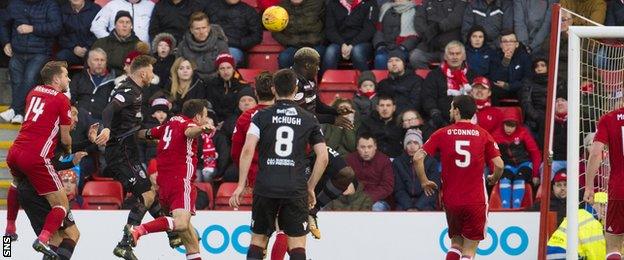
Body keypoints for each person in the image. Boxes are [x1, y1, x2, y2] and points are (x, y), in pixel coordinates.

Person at [229, 69, 329, 260]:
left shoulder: (259, 117)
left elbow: (248, 149)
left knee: (258, 240)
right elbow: (322, 157)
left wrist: (241, 184)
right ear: (296, 88)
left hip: (265, 185)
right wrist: (310, 187)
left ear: (274, 89)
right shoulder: (309, 118)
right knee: (297, 244)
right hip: (295, 187)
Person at [93, 55, 179, 260]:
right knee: (147, 195)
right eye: (150, 71)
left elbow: (130, 126)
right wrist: (105, 128)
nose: (152, 75)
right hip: (121, 152)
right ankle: (125, 242)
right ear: (143, 73)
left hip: (128, 150)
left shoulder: (134, 90)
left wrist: (151, 137)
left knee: (149, 193)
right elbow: (109, 109)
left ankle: (172, 233)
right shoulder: (129, 90)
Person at [413, 95, 504, 260]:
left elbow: (418, 157)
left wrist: (424, 181)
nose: (449, 111)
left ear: (456, 111)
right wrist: (494, 178)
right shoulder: (483, 135)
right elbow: (499, 165)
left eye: (450, 107)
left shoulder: (442, 133)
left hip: (451, 200)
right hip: (475, 200)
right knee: (469, 250)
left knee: (455, 244)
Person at [126, 99, 214, 260]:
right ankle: (139, 230)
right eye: (205, 116)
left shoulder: (169, 124)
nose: (206, 120)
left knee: (190, 239)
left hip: (164, 184)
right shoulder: (189, 124)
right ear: (197, 116)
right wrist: (201, 129)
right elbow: (190, 132)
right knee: (180, 223)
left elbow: (147, 134)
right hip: (181, 182)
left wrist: (126, 134)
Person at [5, 61, 73, 258]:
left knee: (16, 183)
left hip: (16, 152)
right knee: (62, 207)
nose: (68, 78)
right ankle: (42, 239)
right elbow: (66, 137)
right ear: (56, 78)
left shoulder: (33, 92)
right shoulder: (61, 99)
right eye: (66, 75)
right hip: (36, 160)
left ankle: (9, 230)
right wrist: (68, 148)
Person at [0, 0, 62, 124]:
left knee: (29, 79)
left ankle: (14, 109)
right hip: (17, 51)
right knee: (17, 82)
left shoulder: (50, 4)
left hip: (40, 52)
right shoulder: (15, 4)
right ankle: (20, 113)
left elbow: (56, 27)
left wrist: (33, 28)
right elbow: (3, 23)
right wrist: (6, 42)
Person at [584, 105, 624, 260]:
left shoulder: (609, 119)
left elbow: (595, 153)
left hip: (619, 189)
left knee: (613, 247)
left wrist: (589, 186)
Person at [421, 41, 476, 130]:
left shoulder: (472, 75)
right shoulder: (434, 75)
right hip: (441, 121)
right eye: (451, 54)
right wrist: (435, 114)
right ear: (445, 57)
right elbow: (428, 97)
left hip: (469, 121)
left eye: (458, 54)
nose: (454, 57)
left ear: (464, 56)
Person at [492, 112, 541, 209]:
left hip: (524, 164)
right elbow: (492, 156)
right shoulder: (496, 135)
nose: (509, 129)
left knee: (520, 177)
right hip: (507, 165)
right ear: (503, 124)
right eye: (507, 125)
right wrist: (494, 173)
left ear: (517, 125)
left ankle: (516, 206)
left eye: (512, 126)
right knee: (504, 178)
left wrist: (535, 174)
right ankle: (505, 206)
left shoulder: (523, 133)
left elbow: (535, 153)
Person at [410, 0, 467, 69]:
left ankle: (441, 76)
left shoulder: (459, 2)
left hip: (449, 44)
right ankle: (429, 76)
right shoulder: (426, 2)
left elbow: (456, 18)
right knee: (415, 57)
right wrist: (427, 33)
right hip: (429, 43)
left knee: (449, 62)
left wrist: (437, 28)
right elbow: (418, 20)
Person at [393, 129, 440, 211]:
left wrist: (417, 207)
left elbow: (433, 189)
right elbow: (399, 189)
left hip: (425, 203)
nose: (412, 146)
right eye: (409, 143)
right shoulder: (398, 163)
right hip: (404, 204)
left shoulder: (431, 162)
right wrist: (409, 207)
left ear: (420, 145)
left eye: (415, 143)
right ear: (405, 146)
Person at [323, 0, 377, 71]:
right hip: (339, 42)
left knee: (357, 51)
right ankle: (328, 81)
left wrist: (352, 45)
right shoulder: (333, 3)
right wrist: (342, 44)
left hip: (362, 42)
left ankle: (365, 80)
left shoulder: (370, 3)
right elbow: (330, 30)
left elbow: (369, 30)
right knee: (330, 52)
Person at [205, 0, 263, 66]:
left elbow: (256, 36)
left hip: (235, 48)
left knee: (226, 59)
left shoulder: (249, 11)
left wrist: (238, 43)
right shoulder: (210, 8)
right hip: (212, 47)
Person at [346, 134, 394, 211]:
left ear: (375, 147)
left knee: (374, 209)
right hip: (353, 199)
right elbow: (345, 182)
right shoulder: (350, 159)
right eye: (362, 147)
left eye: (369, 147)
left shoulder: (384, 161)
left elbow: (387, 186)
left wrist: (367, 198)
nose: (366, 151)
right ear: (357, 147)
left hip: (378, 200)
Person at [272, 0, 326, 69]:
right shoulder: (281, 7)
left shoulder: (318, 3)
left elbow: (328, 25)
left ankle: (321, 79)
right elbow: (275, 31)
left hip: (316, 45)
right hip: (294, 46)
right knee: (284, 57)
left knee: (321, 57)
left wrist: (320, 39)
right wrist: (289, 41)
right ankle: (287, 79)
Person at [176, 11, 229, 81]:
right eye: (197, 29)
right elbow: (178, 68)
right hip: (192, 82)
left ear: (209, 28)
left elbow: (226, 68)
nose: (201, 32)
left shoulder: (221, 44)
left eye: (204, 28)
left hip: (216, 81)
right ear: (191, 30)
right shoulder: (183, 46)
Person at [69, 48, 117, 120]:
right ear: (88, 62)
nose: (99, 63)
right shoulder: (78, 78)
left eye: (102, 60)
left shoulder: (113, 81)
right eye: (96, 60)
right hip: (79, 119)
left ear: (106, 62)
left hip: (101, 122)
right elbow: (70, 98)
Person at [90, 11, 141, 76]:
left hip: (129, 81)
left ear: (131, 25)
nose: (124, 25)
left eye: (128, 22)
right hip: (105, 79)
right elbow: (90, 65)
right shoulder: (101, 43)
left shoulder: (139, 46)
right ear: (115, 24)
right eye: (121, 22)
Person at [372, 0, 418, 70]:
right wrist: (380, 45)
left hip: (404, 48)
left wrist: (403, 47)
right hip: (385, 46)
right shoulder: (385, 8)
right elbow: (379, 31)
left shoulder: (414, 10)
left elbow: (415, 36)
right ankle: (382, 80)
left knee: (397, 59)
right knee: (380, 57)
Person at [489, 30, 532, 103]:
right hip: (501, 89)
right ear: (501, 45)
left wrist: (509, 86)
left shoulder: (524, 57)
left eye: (511, 41)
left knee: (525, 92)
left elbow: (527, 79)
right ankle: (495, 113)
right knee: (492, 91)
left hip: (518, 88)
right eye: (505, 42)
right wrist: (506, 61)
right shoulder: (495, 56)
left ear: (516, 44)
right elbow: (495, 79)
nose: (508, 44)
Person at [377, 50, 423, 114]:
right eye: (390, 61)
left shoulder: (416, 80)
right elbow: (378, 104)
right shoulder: (383, 84)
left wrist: (395, 113)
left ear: (403, 63)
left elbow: (415, 105)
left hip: (408, 118)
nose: (393, 64)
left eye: (397, 60)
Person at [57, 0, 101, 65]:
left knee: (100, 57)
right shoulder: (62, 10)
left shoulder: (95, 9)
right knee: (61, 57)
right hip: (71, 50)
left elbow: (99, 32)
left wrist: (87, 47)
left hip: (91, 49)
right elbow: (60, 35)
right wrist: (74, 48)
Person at [90, 0, 154, 43]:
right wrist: (110, 41)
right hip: (116, 52)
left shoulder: (150, 5)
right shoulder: (113, 4)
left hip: (143, 52)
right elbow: (96, 26)